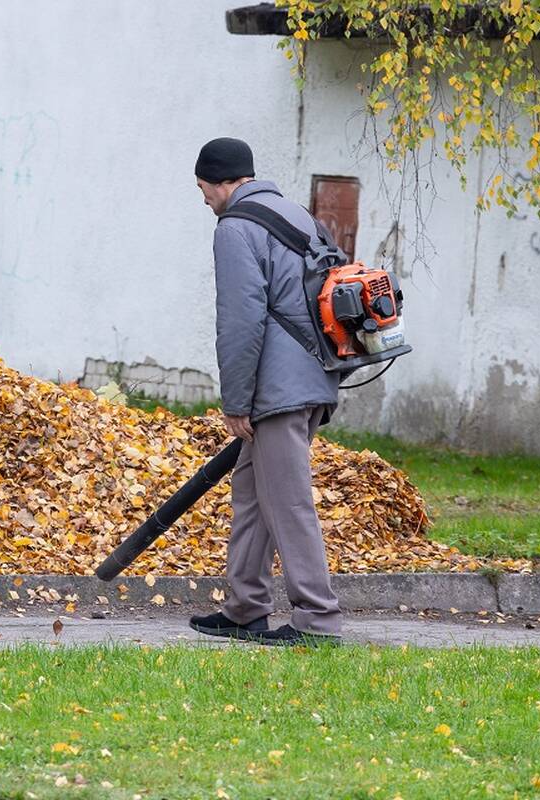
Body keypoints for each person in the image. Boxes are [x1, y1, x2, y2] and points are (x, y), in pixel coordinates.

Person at [187, 137, 343, 646]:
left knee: (287, 501)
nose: (204, 200)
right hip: (313, 379)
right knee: (253, 495)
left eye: (203, 189)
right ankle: (245, 608)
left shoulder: (236, 228)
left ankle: (317, 619)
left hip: (277, 391)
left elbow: (240, 322)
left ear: (222, 181)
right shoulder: (297, 215)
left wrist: (236, 403)